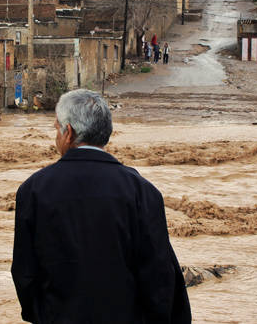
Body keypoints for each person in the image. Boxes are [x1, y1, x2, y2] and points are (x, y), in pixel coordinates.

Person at [11, 89, 192, 323]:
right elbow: (160, 274)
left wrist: (47, 315)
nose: (56, 135)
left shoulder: (33, 190)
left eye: (56, 128)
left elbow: (25, 274)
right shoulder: (142, 191)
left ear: (69, 133)